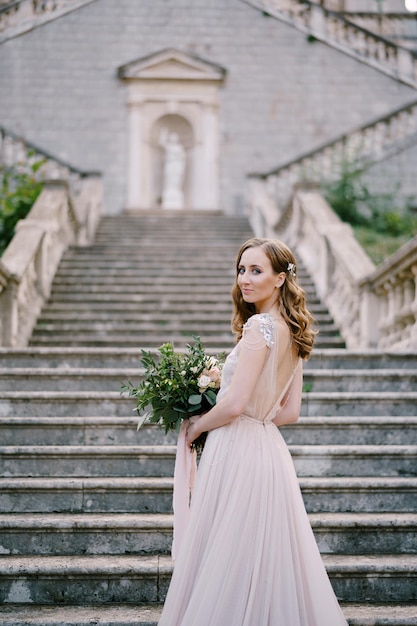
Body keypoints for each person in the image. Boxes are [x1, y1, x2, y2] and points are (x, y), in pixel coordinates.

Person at [158, 237, 348, 626]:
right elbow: (290, 412)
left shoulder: (259, 327)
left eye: (256, 270)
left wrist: (196, 426)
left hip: (238, 448)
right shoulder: (294, 332)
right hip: (268, 449)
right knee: (261, 554)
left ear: (280, 279)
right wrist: (256, 421)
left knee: (230, 550)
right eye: (242, 270)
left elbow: (233, 403)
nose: (245, 279)